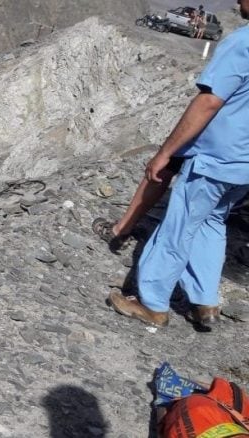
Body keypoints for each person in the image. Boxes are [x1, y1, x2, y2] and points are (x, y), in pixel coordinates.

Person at [108, 0, 249, 328]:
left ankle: (151, 303)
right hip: (243, 163)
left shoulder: (242, 43)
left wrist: (167, 152)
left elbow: (210, 101)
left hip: (217, 157)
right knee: (213, 222)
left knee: (178, 226)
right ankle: (205, 303)